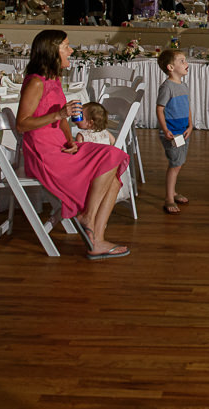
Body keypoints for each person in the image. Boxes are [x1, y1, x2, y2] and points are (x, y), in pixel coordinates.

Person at [16, 29, 130, 260]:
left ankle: (96, 237)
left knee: (115, 176)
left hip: (61, 147)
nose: (71, 50)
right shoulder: (36, 83)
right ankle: (88, 220)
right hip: (44, 154)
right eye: (66, 46)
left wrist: (70, 140)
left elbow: (63, 119)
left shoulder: (54, 79)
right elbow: (22, 124)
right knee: (112, 156)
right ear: (51, 51)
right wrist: (58, 115)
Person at [156, 48, 194, 215]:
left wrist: (191, 125)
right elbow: (159, 109)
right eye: (182, 61)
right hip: (173, 133)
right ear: (171, 68)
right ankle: (168, 198)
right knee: (175, 164)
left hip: (184, 131)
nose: (186, 64)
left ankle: (173, 192)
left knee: (179, 161)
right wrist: (165, 129)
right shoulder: (167, 87)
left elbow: (187, 107)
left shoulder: (183, 85)